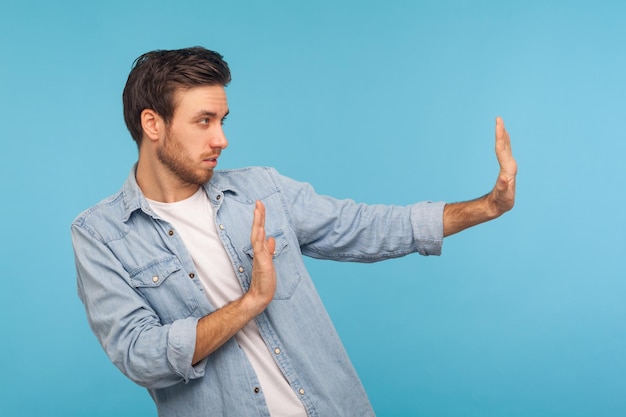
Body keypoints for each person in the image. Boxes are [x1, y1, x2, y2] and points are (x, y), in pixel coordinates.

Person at [71, 46, 517, 417]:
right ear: (153, 124)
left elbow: (366, 228)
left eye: (223, 121)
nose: (221, 139)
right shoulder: (101, 235)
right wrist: (251, 302)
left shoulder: (263, 190)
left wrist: (488, 206)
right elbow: (140, 355)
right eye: (203, 121)